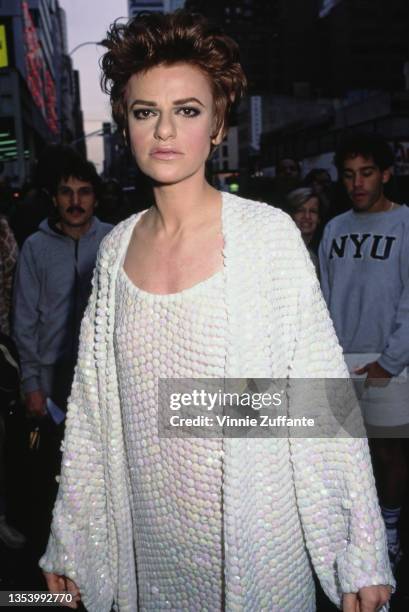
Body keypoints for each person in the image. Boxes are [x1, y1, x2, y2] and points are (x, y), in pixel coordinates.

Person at [40, 11, 393, 612]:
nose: (165, 130)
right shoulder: (114, 249)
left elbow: (317, 399)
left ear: (218, 123)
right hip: (149, 543)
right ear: (125, 125)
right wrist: (73, 540)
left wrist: (356, 547)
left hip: (258, 543)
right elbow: (95, 416)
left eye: (188, 109)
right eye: (145, 111)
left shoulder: (268, 236)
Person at [319, 132, 409, 573]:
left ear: (386, 174)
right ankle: (354, 538)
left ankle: (390, 533)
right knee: (342, 458)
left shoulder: (406, 223)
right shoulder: (334, 228)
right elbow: (323, 296)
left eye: (367, 173)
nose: (357, 183)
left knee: (389, 452)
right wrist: (325, 358)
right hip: (338, 359)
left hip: (391, 361)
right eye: (350, 174)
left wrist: (390, 362)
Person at [286, 187, 323, 274]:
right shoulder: (282, 252)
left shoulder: (315, 258)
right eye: (300, 210)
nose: (307, 216)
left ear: (319, 218)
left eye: (313, 211)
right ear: (291, 215)